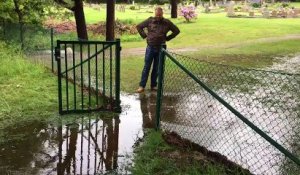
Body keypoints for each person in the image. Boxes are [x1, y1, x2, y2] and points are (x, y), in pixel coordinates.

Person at [136, 7, 180, 93]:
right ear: (155, 14)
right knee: (147, 67)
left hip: (161, 48)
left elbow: (176, 31)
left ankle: (153, 85)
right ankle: (141, 86)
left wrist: (168, 38)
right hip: (150, 47)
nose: (158, 16)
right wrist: (144, 36)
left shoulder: (167, 22)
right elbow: (139, 26)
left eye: (160, 14)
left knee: (156, 68)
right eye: (157, 14)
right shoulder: (150, 20)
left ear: (162, 14)